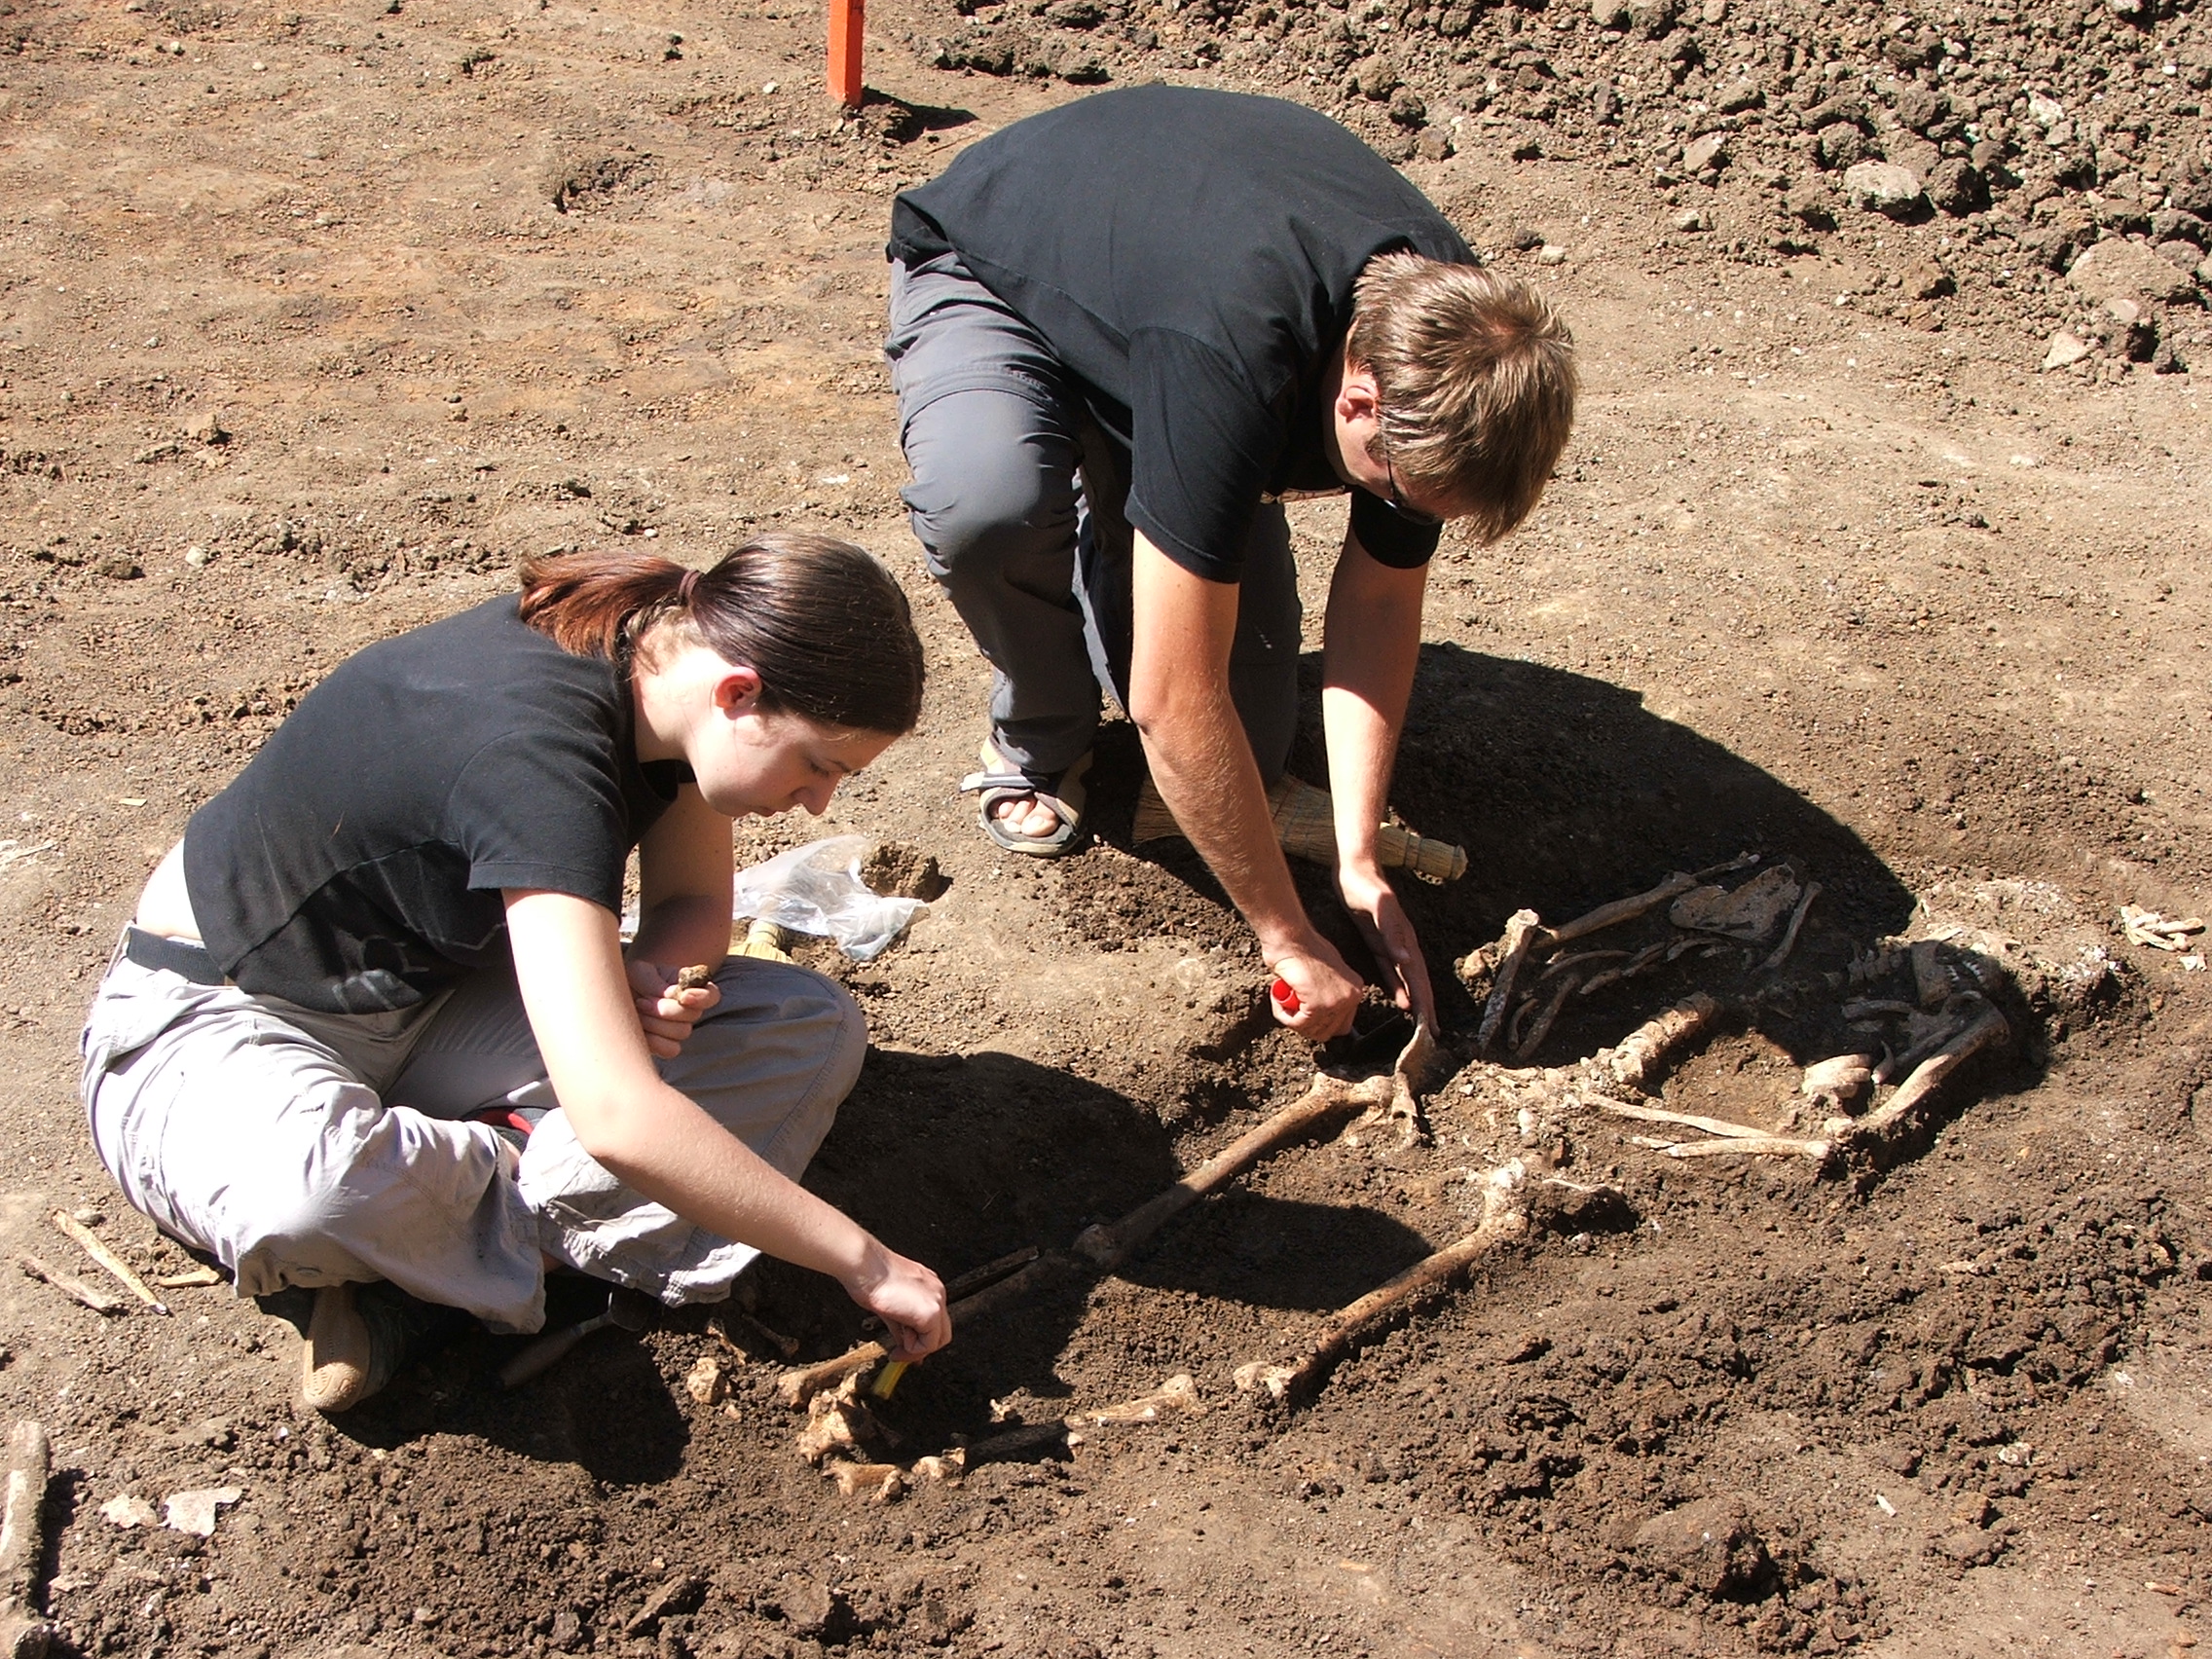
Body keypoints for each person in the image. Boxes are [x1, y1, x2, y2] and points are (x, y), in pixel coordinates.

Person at [78, 533, 951, 1412]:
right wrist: (865, 1262)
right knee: (313, 1196)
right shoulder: (538, 758)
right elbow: (618, 1119)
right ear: (739, 694)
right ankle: (471, 1244)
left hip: (441, 990)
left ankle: (431, 1252)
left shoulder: (663, 669)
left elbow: (692, 904)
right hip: (222, 1018)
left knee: (804, 1026)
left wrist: (654, 978)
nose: (818, 803)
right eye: (817, 765)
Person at [885, 86, 1576, 1044]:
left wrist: (1358, 858)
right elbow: (1172, 701)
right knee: (990, 503)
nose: (1409, 516)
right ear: (1358, 400)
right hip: (1000, 265)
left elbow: (1379, 602)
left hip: (1165, 301)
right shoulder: (1238, 354)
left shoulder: (1460, 348)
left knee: (1244, 750)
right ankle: (1038, 731)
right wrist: (1285, 936)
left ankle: (1140, 498)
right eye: (1401, 490)